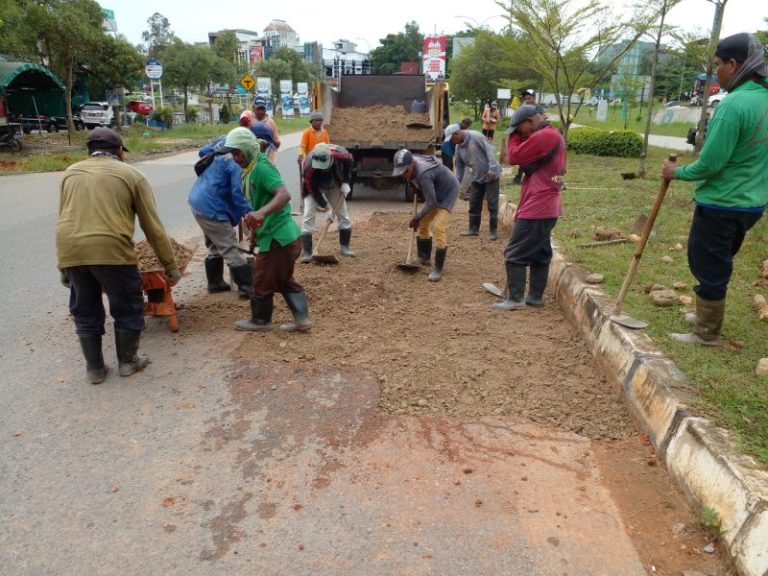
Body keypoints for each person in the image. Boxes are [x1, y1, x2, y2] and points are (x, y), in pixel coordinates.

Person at [662, 33, 768, 347]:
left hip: (722, 202)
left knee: (708, 262)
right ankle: (706, 315)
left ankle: (706, 333)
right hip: (752, 204)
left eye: (719, 65)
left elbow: (710, 164)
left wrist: (675, 172)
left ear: (734, 64)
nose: (717, 72)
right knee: (719, 259)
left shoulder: (733, 105)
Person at [56, 127, 181, 384]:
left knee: (85, 308)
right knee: (126, 304)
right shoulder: (131, 175)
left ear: (89, 152)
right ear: (119, 152)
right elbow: (152, 227)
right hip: (112, 250)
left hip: (72, 251)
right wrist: (170, 265)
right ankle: (127, 362)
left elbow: (63, 219)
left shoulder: (70, 173)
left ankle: (95, 369)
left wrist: (63, 267)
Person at [217, 127, 313, 332]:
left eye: (237, 152)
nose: (235, 157)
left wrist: (261, 213)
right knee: (283, 279)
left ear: (247, 149)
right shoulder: (250, 170)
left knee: (260, 280)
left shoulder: (262, 168)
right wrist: (254, 234)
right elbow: (258, 206)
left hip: (279, 238)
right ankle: (302, 319)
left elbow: (284, 194)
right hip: (280, 237)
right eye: (232, 153)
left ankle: (261, 320)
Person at [493, 104, 566, 311]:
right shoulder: (552, 135)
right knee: (540, 254)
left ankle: (515, 299)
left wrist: (514, 136)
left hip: (539, 206)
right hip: (545, 205)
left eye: (519, 128)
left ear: (531, 121)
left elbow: (513, 157)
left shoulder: (545, 136)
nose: (518, 133)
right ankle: (534, 296)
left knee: (514, 253)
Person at [188, 136, 252, 299]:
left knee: (214, 243)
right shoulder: (235, 163)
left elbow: (203, 150)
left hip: (197, 202)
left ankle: (215, 283)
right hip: (211, 206)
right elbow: (238, 195)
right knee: (229, 246)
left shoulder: (219, 150)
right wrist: (250, 212)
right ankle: (247, 288)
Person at [392, 148, 459, 281]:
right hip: (435, 190)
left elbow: (431, 202)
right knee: (423, 224)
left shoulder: (424, 174)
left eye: (405, 171)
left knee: (439, 227)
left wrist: (416, 217)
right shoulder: (413, 163)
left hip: (448, 192)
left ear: (411, 165)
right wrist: (414, 184)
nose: (403, 175)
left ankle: (438, 269)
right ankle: (424, 257)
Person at [299, 142, 356, 262]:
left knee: (343, 214)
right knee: (308, 216)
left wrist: (346, 181)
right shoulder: (308, 166)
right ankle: (308, 252)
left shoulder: (342, 154)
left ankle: (345, 247)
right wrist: (326, 208)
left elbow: (349, 163)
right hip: (315, 186)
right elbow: (312, 190)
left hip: (334, 183)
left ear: (331, 158)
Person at [451, 123, 502, 240]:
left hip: (491, 175)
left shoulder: (476, 136)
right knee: (474, 202)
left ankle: (493, 231)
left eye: (452, 138)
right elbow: (459, 167)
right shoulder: (458, 148)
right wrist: (456, 183)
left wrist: (492, 169)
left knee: (492, 203)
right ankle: (473, 229)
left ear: (457, 134)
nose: (452, 142)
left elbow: (491, 151)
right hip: (476, 176)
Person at [512, 89, 545, 185]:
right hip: (527, 137)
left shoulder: (538, 108)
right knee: (524, 156)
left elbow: (541, 121)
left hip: (536, 137)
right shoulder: (524, 107)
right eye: (526, 98)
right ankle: (518, 178)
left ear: (534, 98)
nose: (527, 100)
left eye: (529, 98)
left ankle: (557, 181)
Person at [251, 96, 281, 163]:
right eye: (258, 109)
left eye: (263, 109)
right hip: (252, 162)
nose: (261, 112)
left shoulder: (270, 122)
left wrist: (267, 137)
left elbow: (277, 144)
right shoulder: (249, 121)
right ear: (253, 108)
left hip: (268, 161)